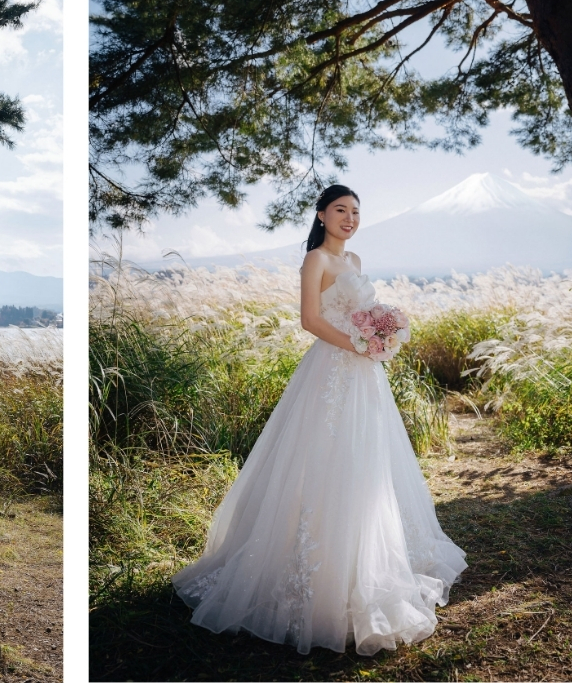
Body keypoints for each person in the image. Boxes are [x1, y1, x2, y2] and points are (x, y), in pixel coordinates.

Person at [171, 184, 467, 655]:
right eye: (340, 210)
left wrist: (381, 336)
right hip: (330, 369)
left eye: (355, 211)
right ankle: (307, 569)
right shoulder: (317, 260)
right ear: (321, 215)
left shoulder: (355, 262)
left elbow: (361, 313)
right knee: (321, 455)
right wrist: (359, 344)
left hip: (364, 375)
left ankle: (362, 559)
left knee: (364, 461)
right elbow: (310, 319)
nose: (349, 218)